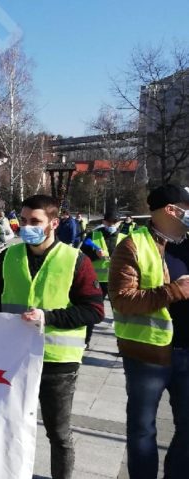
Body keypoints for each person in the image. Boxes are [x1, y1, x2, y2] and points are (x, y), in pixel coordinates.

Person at [0, 194, 104, 479]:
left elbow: (94, 310)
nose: (27, 226)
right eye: (24, 220)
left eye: (35, 221)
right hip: (13, 358)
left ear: (53, 223)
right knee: (7, 425)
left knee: (59, 433)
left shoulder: (76, 260)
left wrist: (48, 317)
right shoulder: (8, 256)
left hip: (58, 362)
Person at [109, 184, 189, 479]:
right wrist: (173, 291)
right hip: (148, 356)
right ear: (172, 210)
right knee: (142, 430)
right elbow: (121, 300)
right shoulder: (133, 245)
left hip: (187, 354)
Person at [80, 211, 124, 347]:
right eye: (109, 221)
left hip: (117, 280)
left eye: (114, 222)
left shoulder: (125, 237)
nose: (111, 224)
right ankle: (85, 341)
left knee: (119, 314)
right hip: (96, 281)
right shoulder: (93, 235)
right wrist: (95, 254)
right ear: (104, 222)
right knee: (91, 311)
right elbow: (83, 255)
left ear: (119, 223)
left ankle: (121, 344)